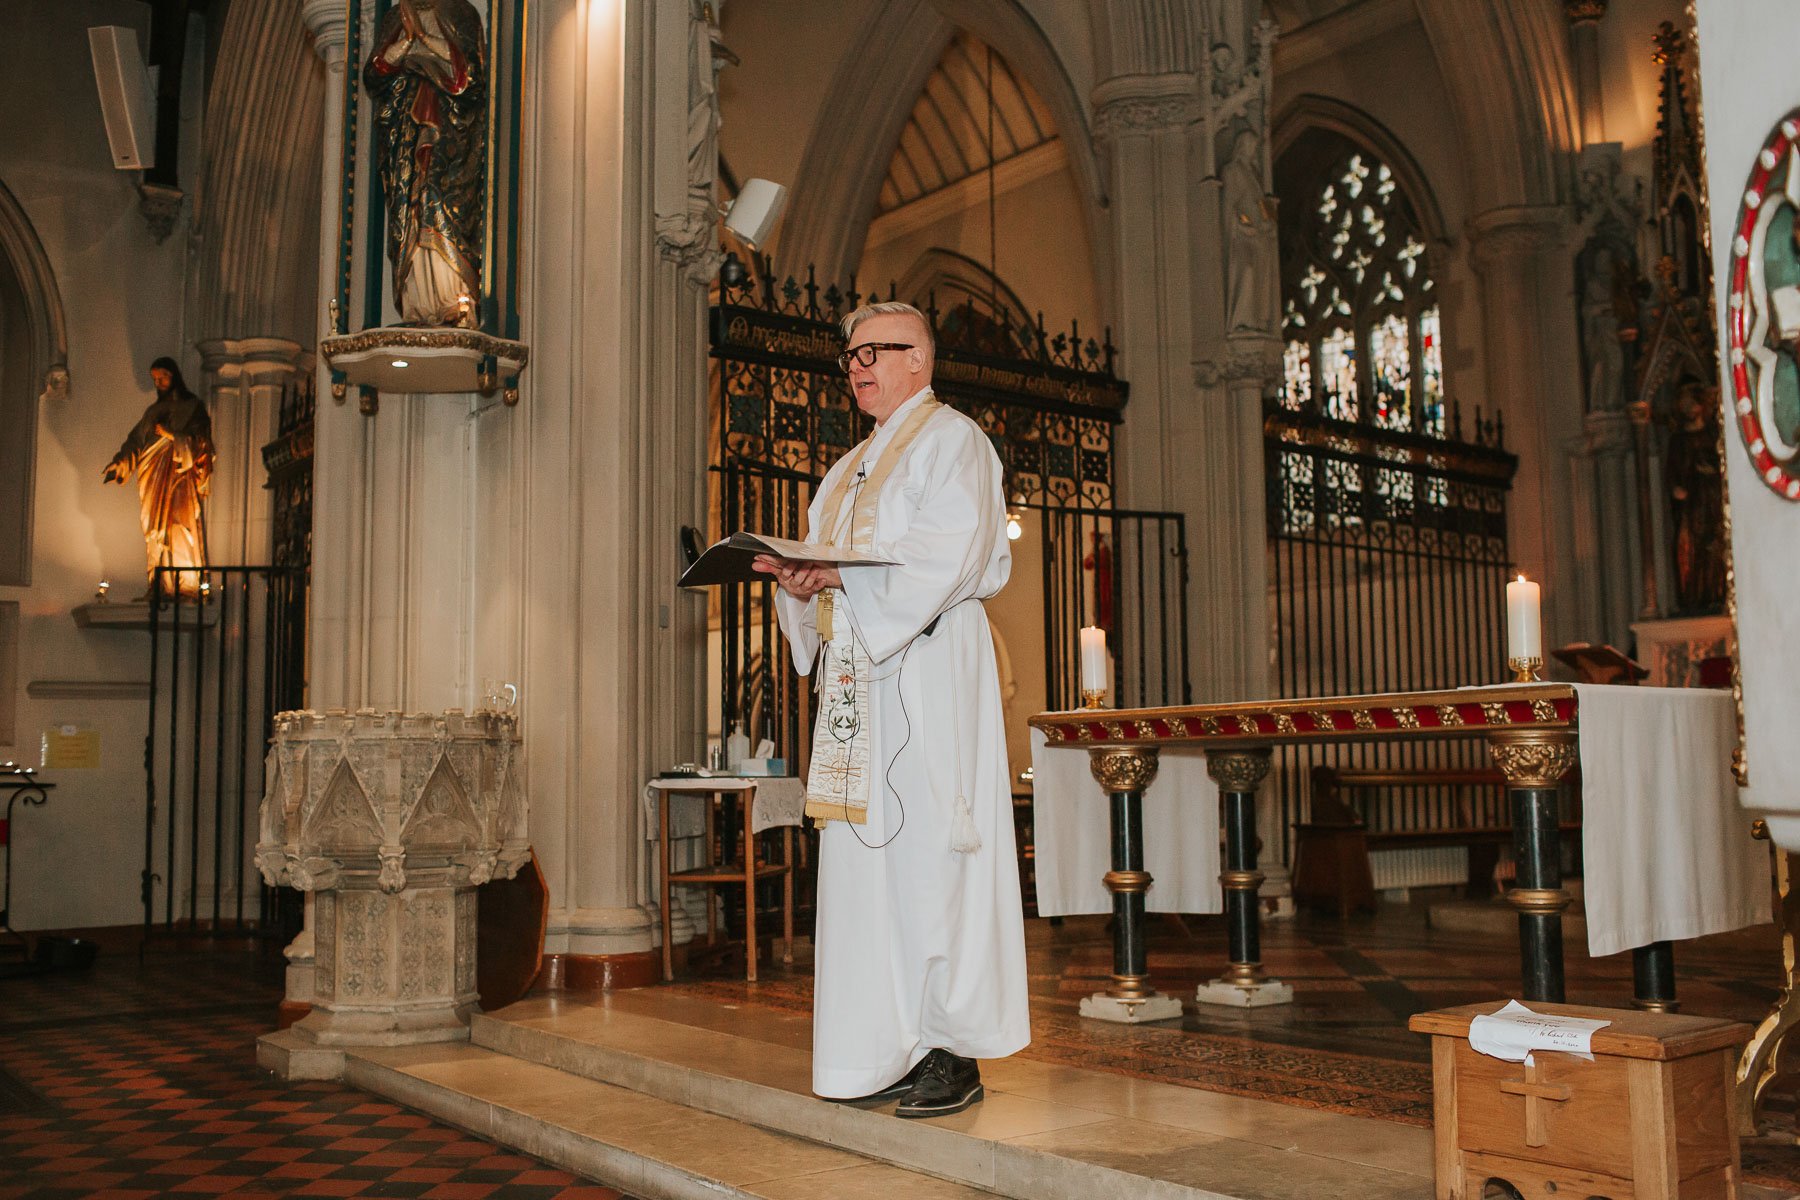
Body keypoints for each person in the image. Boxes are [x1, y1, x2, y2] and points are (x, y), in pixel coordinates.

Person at [754, 301, 1029, 1118]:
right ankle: (884, 1047)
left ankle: (952, 1048)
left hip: (930, 670)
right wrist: (800, 584)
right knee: (862, 865)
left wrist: (841, 578)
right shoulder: (844, 471)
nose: (861, 364)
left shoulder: (955, 442)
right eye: (852, 354)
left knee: (931, 857)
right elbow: (827, 569)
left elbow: (945, 555)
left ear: (923, 360)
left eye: (881, 350)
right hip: (853, 682)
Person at [364, 0, 487, 327]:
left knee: (435, 194)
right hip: (406, 134)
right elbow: (374, 76)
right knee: (410, 207)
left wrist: (425, 43)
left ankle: (453, 300)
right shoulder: (396, 17)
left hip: (449, 134)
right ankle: (418, 305)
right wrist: (406, 41)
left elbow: (471, 76)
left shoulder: (461, 13)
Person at [103, 357, 214, 593]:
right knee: (154, 529)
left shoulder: (193, 408)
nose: (159, 383)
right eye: (155, 379)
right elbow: (135, 442)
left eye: (162, 377)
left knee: (178, 526)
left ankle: (185, 586)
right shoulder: (152, 412)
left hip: (179, 478)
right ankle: (158, 584)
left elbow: (203, 444)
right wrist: (119, 463)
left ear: (174, 376)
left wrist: (172, 435)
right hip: (151, 477)